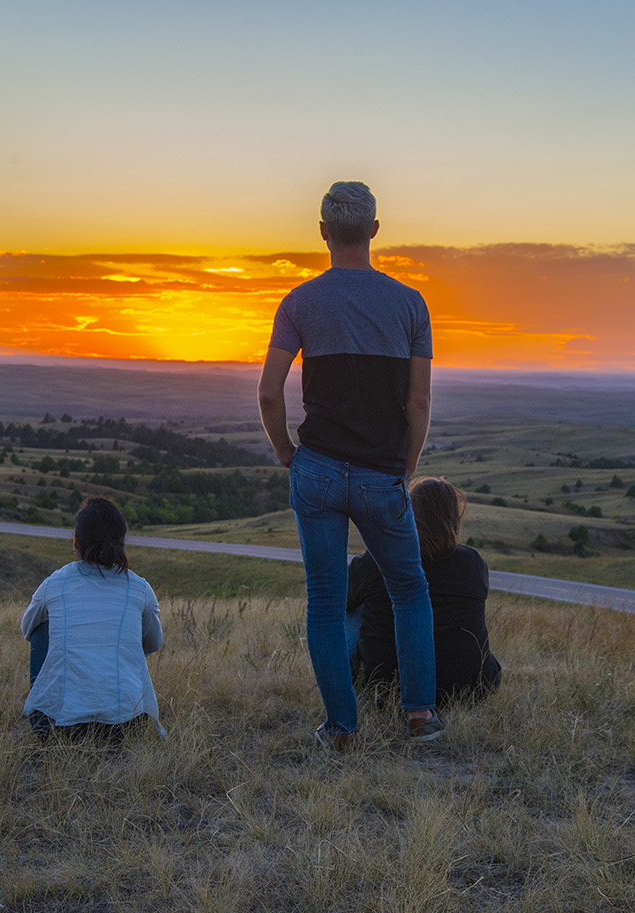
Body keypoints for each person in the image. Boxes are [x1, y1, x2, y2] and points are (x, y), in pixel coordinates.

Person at [257, 181, 441, 748]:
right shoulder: (411, 304)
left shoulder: (299, 302)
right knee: (409, 589)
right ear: (376, 231)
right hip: (381, 474)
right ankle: (419, 717)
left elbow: (268, 394)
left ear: (322, 233)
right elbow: (418, 403)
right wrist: (404, 469)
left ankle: (341, 728)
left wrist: (287, 453)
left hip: (316, 468)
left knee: (325, 599)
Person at [21, 497, 164, 742]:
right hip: (128, 724)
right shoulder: (139, 588)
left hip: (63, 728)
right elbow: (153, 644)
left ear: (76, 540)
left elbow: (27, 630)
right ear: (122, 542)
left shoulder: (55, 584)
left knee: (42, 628)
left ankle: (45, 713)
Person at [350, 478, 501, 705]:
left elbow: (340, 600)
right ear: (454, 517)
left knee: (347, 609)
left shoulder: (378, 559)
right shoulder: (472, 563)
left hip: (381, 687)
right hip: (469, 689)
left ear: (409, 512)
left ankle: (341, 680)